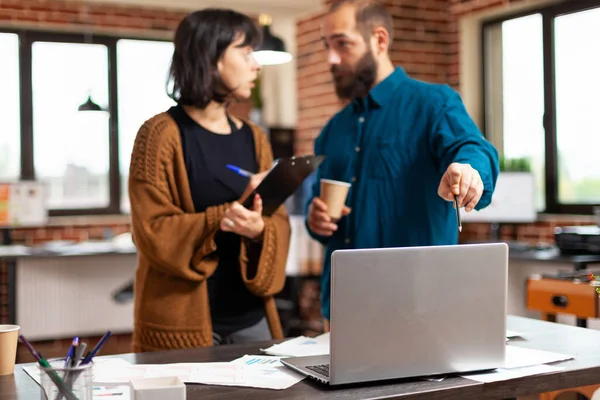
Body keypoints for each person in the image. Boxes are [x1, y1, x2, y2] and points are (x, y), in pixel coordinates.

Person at [305, 0, 500, 329]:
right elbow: (324, 216)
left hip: (419, 309)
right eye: (327, 46)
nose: (331, 59)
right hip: (342, 308)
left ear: (379, 40)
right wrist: (317, 219)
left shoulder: (434, 103)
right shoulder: (332, 131)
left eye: (342, 44)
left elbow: (472, 148)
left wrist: (468, 171)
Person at [128, 8, 291, 352]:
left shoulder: (255, 137)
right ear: (211, 57)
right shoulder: (159, 135)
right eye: (246, 53)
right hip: (181, 325)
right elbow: (152, 232)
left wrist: (258, 228)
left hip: (252, 321)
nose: (256, 65)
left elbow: (276, 219)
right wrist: (225, 217)